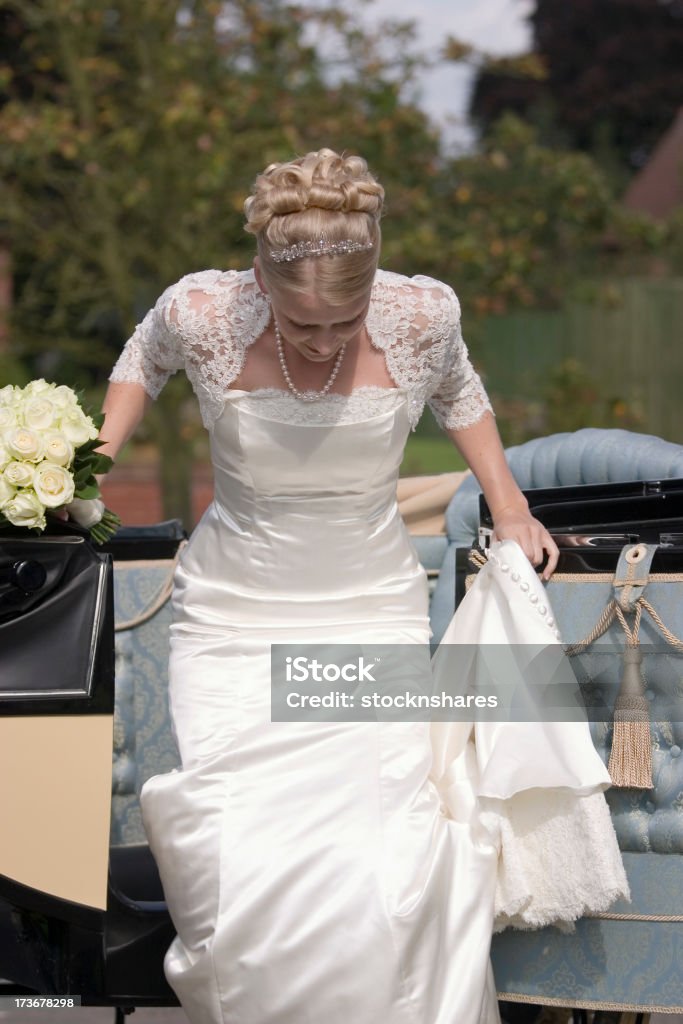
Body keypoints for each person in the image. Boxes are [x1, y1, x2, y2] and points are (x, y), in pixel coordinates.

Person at [100, 148, 626, 1024]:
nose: (322, 343)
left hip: (364, 615)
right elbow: (140, 360)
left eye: (342, 323)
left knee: (380, 855)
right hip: (232, 622)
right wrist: (89, 462)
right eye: (302, 326)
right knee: (244, 849)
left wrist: (509, 507)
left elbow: (460, 391)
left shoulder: (423, 314)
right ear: (262, 283)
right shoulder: (199, 310)